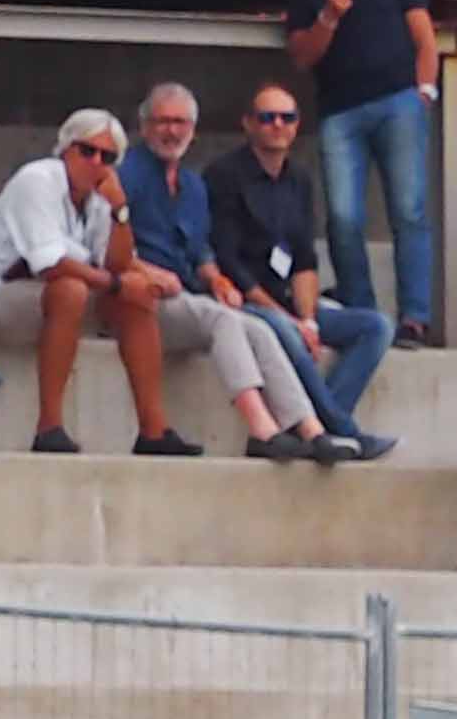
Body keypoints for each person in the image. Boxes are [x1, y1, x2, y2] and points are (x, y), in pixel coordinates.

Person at [119, 85, 342, 463]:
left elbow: (201, 252)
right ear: (144, 127)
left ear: (193, 129)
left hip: (186, 296)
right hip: (141, 301)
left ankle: (309, 429)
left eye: (180, 122)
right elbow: (104, 247)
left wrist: (217, 279)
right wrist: (148, 271)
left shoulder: (192, 185)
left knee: (258, 328)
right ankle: (261, 430)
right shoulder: (126, 175)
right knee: (224, 321)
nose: (171, 131)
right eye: (162, 122)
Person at [209, 81, 396, 456]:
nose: (277, 125)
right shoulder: (224, 174)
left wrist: (308, 319)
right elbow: (229, 262)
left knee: (375, 327)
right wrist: (291, 321)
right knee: (284, 331)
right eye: (267, 117)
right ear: (248, 123)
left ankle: (323, 423)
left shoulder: (299, 178)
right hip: (244, 302)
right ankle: (343, 430)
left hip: (289, 301)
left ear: (296, 126)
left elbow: (305, 259)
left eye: (287, 117)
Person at [0, 116, 185, 461]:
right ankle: (49, 426)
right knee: (72, 289)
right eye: (87, 151)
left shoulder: (99, 196)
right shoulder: (37, 180)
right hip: (3, 293)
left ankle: (154, 430)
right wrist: (116, 284)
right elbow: (50, 264)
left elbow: (116, 263)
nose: (96, 162)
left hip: (49, 299)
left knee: (134, 297)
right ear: (66, 149)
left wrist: (120, 211)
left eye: (107, 157)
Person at [285, 0, 438, 349]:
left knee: (409, 210)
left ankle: (415, 318)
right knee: (342, 217)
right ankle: (363, 313)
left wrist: (425, 91)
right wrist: (329, 15)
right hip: (340, 112)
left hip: (398, 103)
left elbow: (425, 38)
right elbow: (302, 56)